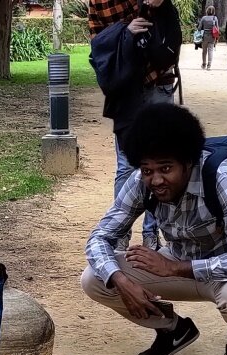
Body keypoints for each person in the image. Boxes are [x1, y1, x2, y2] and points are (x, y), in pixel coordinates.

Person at [80, 103, 227, 355]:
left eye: (166, 168)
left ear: (188, 162)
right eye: (147, 170)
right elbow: (100, 237)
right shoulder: (141, 181)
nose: (155, 179)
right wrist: (120, 279)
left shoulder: (224, 176)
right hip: (173, 264)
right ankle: (173, 330)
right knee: (95, 278)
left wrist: (175, 268)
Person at [89, 0, 182, 251]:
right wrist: (124, 31)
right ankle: (120, 234)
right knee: (127, 165)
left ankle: (152, 233)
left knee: (161, 163)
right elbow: (97, 43)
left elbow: (171, 30)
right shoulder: (100, 1)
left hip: (159, 80)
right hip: (126, 88)